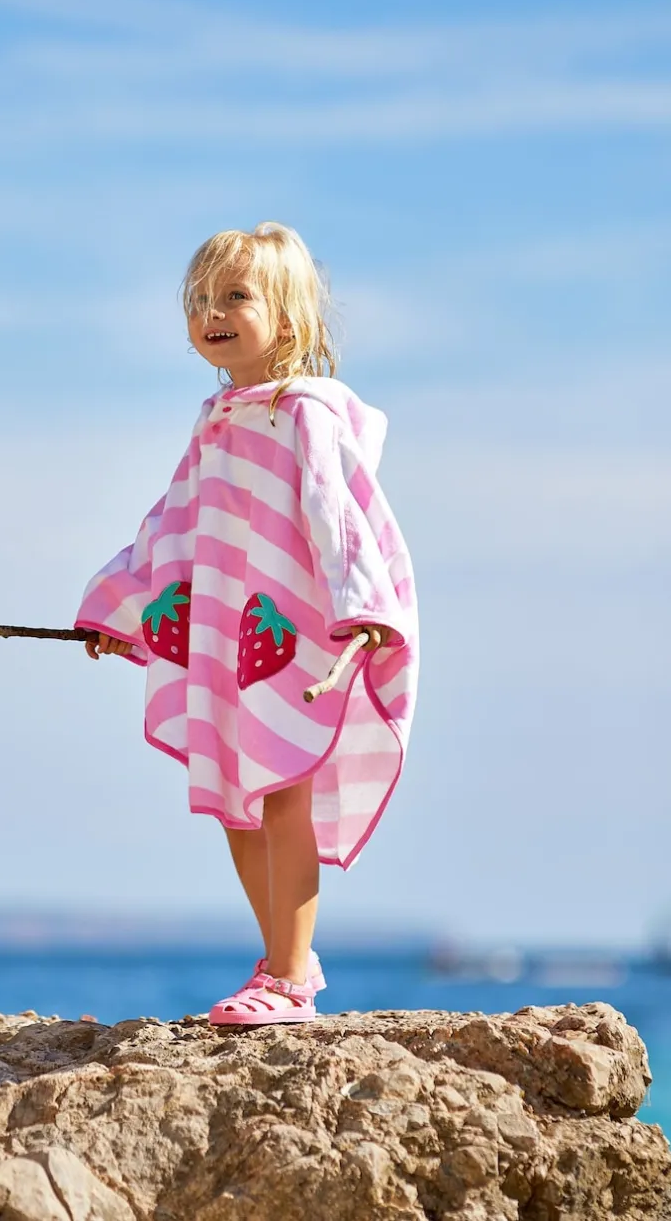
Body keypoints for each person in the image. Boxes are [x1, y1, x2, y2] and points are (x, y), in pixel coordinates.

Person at [76, 222, 418, 1026]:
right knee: (236, 803)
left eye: (235, 296)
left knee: (283, 791)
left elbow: (339, 515)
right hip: (228, 640)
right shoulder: (217, 422)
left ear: (288, 318)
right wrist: (123, 608)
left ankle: (291, 981)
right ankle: (280, 959)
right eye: (199, 299)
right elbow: (174, 523)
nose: (212, 314)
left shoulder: (305, 416)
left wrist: (362, 607)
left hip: (290, 632)